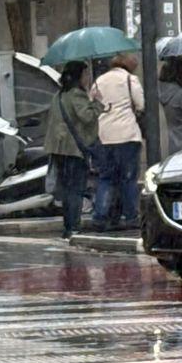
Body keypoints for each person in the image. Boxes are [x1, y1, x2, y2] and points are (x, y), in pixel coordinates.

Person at [89, 53, 144, 232]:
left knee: (106, 178)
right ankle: (131, 215)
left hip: (104, 136)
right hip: (127, 135)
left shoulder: (99, 80)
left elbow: (93, 102)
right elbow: (140, 104)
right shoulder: (130, 79)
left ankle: (100, 215)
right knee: (128, 178)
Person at [46, 62, 100, 239]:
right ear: (79, 76)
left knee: (67, 189)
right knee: (75, 189)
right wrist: (97, 104)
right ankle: (73, 227)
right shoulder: (77, 95)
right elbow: (87, 117)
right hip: (74, 149)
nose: (87, 78)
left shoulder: (58, 95)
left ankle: (68, 226)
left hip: (59, 149)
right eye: (85, 74)